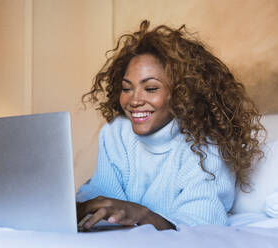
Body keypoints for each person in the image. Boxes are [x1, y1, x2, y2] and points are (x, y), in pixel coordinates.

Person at [76, 20, 265, 231]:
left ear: (182, 93)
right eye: (126, 88)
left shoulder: (202, 145)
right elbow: (104, 199)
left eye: (150, 88)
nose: (134, 100)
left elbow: (202, 221)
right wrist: (82, 208)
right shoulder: (115, 133)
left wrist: (142, 214)